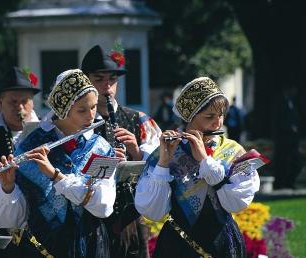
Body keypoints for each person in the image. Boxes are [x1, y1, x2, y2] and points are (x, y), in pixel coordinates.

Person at [0, 69, 117, 258]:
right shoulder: (31, 145)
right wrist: (7, 188)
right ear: (62, 110)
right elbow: (15, 219)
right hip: (44, 247)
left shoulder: (102, 148)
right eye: (82, 110)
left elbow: (104, 207)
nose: (91, 116)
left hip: (92, 245)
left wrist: (56, 176)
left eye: (94, 107)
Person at [135, 77, 260, 258]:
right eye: (209, 117)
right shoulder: (166, 150)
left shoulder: (233, 151)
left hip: (222, 242)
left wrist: (205, 160)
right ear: (189, 117)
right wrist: (163, 163)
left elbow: (237, 203)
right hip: (178, 243)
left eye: (221, 115)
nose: (218, 123)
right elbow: (153, 211)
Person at [82, 44, 162, 258]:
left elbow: (160, 169)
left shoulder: (139, 119)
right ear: (85, 81)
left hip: (129, 217)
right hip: (88, 217)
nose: (106, 86)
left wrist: (135, 153)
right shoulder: (74, 123)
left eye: (112, 80)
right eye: (98, 79)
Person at [0, 66, 41, 160]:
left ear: (32, 103)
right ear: (0, 103)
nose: (20, 107)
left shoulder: (46, 128)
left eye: (24, 101)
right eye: (13, 101)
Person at [273, 86, 301, 189]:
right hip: (284, 139)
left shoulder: (292, 103)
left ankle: (288, 182)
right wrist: (290, 128)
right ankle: (280, 184)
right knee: (283, 161)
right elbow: (277, 121)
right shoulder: (281, 103)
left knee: (295, 162)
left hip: (292, 139)